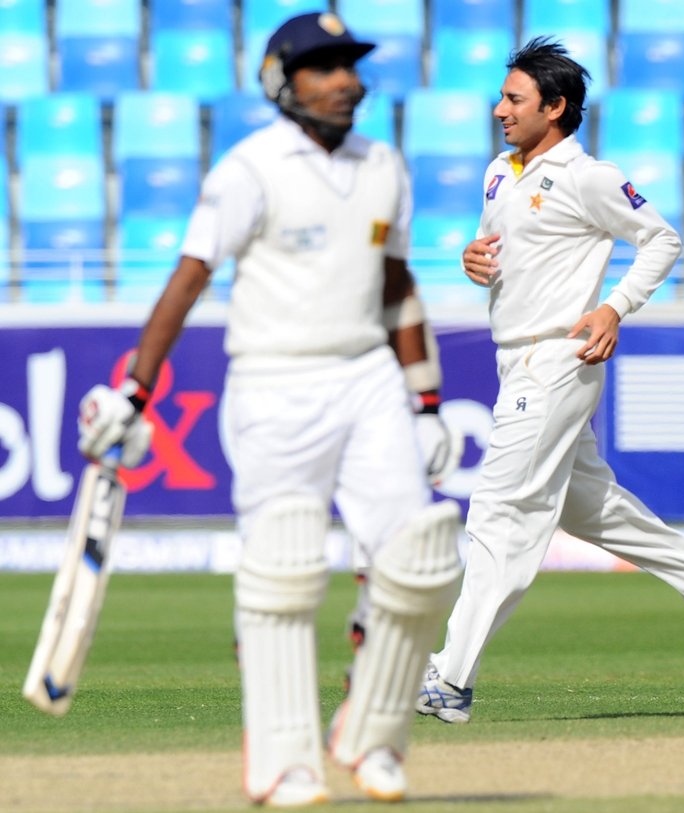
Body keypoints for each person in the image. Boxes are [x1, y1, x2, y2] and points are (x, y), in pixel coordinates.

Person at [77, 12, 464, 805]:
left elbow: (397, 287)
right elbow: (186, 281)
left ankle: (373, 736)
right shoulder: (248, 168)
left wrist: (425, 400)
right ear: (281, 80)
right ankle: (284, 763)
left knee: (420, 558)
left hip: (365, 377)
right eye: (322, 67)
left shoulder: (384, 162)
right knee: (282, 570)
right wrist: (134, 391)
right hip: (272, 383)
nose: (344, 81)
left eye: (349, 66)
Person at [416, 37, 684, 725]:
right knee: (587, 506)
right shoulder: (499, 172)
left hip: (558, 357)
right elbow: (496, 248)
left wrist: (614, 306)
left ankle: (448, 679)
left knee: (499, 511)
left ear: (556, 107)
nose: (499, 110)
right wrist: (473, 258)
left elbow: (661, 238)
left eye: (514, 99)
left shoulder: (589, 177)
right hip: (512, 358)